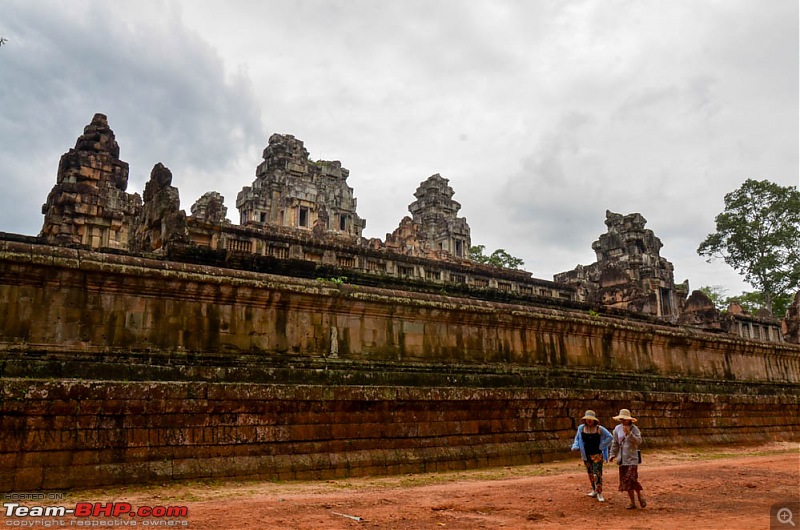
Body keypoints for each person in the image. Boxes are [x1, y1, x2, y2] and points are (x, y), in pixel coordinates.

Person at [571, 410, 613, 502]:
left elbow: (610, 437)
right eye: (587, 419)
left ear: (594, 420)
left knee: (597, 473)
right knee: (590, 473)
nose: (589, 421)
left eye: (591, 419)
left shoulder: (599, 429)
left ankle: (599, 492)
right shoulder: (581, 428)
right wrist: (576, 446)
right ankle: (594, 490)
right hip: (586, 455)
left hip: (597, 454)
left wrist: (602, 445)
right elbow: (577, 439)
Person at [609, 408, 646, 509]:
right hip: (622, 459)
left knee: (631, 479)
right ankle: (632, 502)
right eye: (622, 419)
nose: (623, 421)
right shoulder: (617, 429)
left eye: (625, 419)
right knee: (626, 482)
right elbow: (615, 443)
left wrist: (629, 434)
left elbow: (638, 441)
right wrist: (612, 454)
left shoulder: (635, 429)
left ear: (629, 420)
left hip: (632, 458)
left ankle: (639, 495)